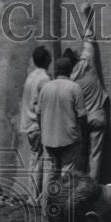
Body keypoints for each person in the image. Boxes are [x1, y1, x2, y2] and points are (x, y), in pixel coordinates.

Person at [64, 2, 110, 183]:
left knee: (80, 154)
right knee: (96, 154)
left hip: (80, 120)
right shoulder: (88, 63)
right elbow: (89, 38)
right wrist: (85, 14)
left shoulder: (68, 81)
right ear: (77, 58)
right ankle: (93, 187)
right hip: (98, 115)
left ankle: (81, 187)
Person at [37, 55, 87, 199]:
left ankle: (46, 206)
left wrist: (43, 132)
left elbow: (38, 114)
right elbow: (82, 116)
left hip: (48, 139)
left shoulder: (46, 88)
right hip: (69, 138)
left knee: (50, 174)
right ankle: (63, 207)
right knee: (67, 174)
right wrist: (83, 135)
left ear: (56, 70)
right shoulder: (75, 88)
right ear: (70, 70)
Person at [18, 45, 52, 201]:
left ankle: (33, 194)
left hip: (28, 124)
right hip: (37, 124)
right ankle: (36, 196)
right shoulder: (44, 78)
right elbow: (46, 103)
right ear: (46, 60)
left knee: (34, 159)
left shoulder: (30, 76)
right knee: (40, 161)